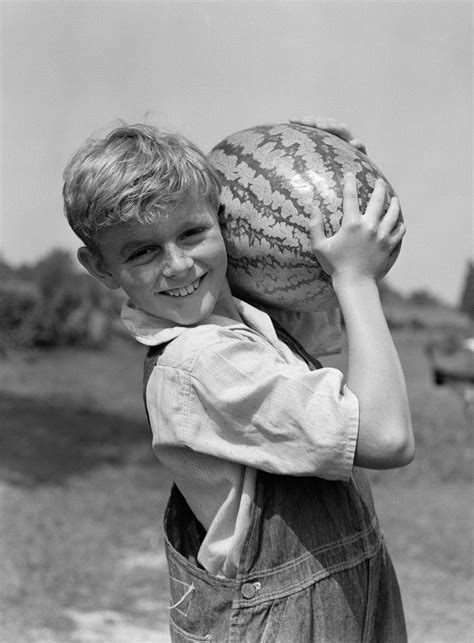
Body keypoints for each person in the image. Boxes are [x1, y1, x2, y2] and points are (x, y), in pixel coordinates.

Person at [62, 120, 414, 642]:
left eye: (192, 233)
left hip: (345, 600)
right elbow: (385, 436)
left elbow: (324, 335)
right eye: (142, 252)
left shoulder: (239, 327)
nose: (179, 266)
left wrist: (334, 189)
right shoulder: (199, 364)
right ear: (100, 267)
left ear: (222, 220)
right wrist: (355, 278)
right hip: (286, 623)